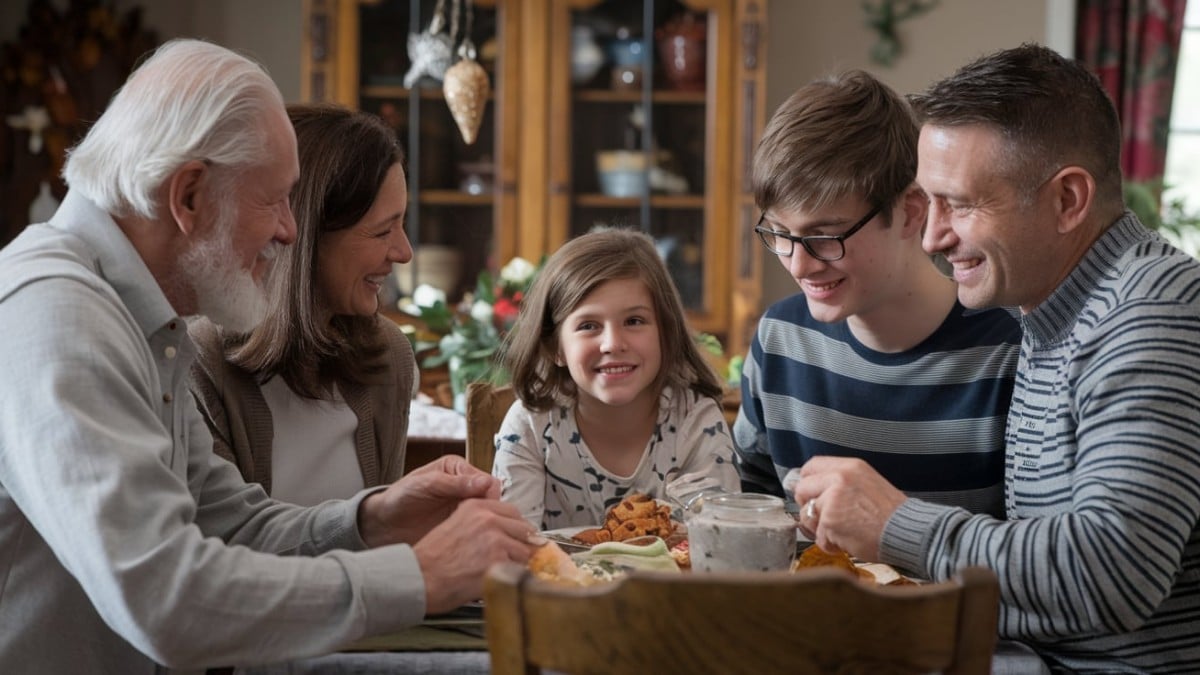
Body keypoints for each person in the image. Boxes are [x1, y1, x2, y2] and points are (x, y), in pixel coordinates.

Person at [0, 39, 536, 673]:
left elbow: (232, 526)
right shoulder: (57, 314)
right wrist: (422, 574)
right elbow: (168, 601)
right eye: (274, 198)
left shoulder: (138, 319)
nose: (289, 229)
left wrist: (373, 519)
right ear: (190, 195)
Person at [791, 44, 1200, 672]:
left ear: (1068, 200)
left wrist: (895, 523)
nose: (932, 237)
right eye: (929, 204)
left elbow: (1114, 573)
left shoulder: (1150, 313)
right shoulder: (1050, 309)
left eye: (960, 203)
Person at [734, 69, 1021, 518]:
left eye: (824, 236)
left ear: (910, 213)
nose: (798, 264)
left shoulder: (1009, 353)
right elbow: (746, 513)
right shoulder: (779, 341)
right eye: (779, 233)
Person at [189, 103, 416, 505]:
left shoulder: (388, 356)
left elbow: (384, 540)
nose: (404, 252)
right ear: (308, 238)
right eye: (383, 231)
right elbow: (224, 548)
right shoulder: (200, 362)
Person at [492, 228, 740, 529]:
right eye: (588, 325)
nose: (613, 343)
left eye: (634, 321)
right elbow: (512, 548)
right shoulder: (530, 426)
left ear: (666, 332)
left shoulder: (696, 421)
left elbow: (717, 543)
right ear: (555, 347)